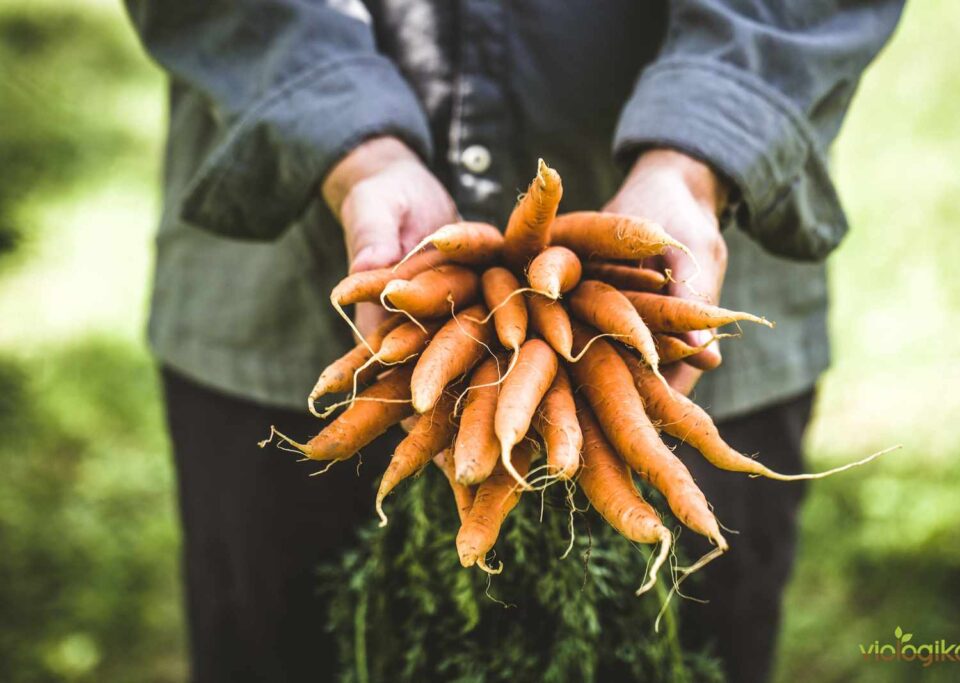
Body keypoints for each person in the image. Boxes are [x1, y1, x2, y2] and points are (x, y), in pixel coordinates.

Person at [126, 1, 904, 681]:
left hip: (670, 325)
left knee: (686, 638)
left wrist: (699, 157)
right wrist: (346, 138)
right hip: (286, 300)